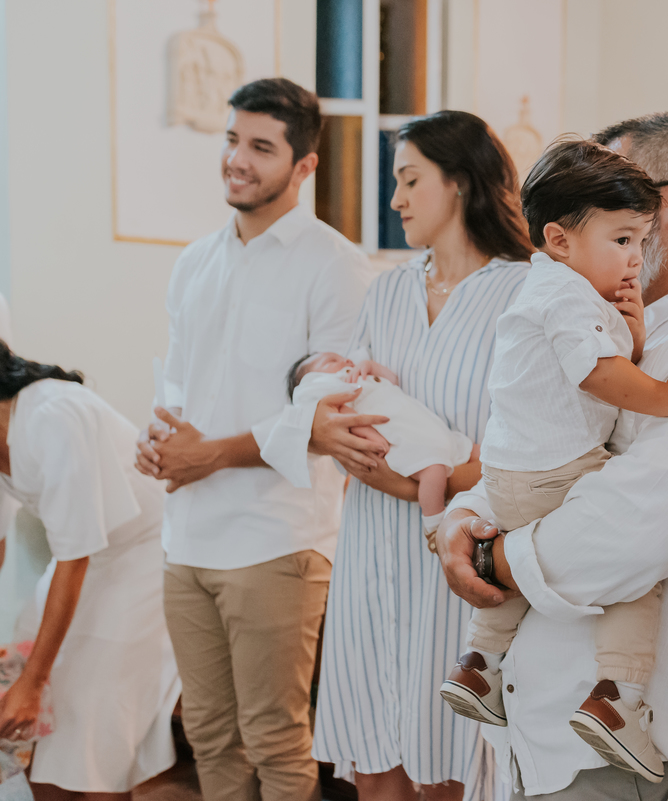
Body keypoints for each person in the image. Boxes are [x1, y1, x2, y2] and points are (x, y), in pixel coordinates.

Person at [435, 112, 668, 801]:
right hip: (544, 725)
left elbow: (624, 534)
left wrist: (492, 557)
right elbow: (535, 438)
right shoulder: (597, 317)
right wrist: (466, 516)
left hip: (639, 750)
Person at [260, 110, 533, 801]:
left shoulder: (525, 292)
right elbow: (345, 391)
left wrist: (418, 487)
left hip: (456, 543)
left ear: (462, 184)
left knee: (448, 759)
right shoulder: (386, 292)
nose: (396, 200)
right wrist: (327, 426)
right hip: (370, 547)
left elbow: (531, 443)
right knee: (375, 759)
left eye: (410, 180)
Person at [438, 140, 668, 783]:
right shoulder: (563, 294)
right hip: (559, 471)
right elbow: (596, 375)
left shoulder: (557, 293)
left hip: (510, 476)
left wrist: (632, 335)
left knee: (514, 555)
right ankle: (617, 697)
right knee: (638, 572)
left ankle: (479, 666)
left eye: (641, 240)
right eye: (621, 239)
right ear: (559, 240)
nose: (635, 258)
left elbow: (596, 361)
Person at [133, 78, 371, 800]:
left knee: (274, 734)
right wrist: (160, 436)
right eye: (233, 140)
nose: (237, 159)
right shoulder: (194, 261)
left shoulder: (335, 264)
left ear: (304, 166)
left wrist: (213, 453)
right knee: (207, 730)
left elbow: (327, 416)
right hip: (188, 537)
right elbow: (177, 385)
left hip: (277, 536)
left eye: (261, 147)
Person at [0, 344, 180, 799]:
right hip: (82, 563)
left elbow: (73, 556)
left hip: (143, 561)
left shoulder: (53, 414)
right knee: (41, 740)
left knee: (96, 729)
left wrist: (32, 681)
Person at [274, 352, 476, 528]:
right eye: (331, 361)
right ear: (315, 381)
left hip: (429, 429)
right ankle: (434, 525)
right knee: (432, 470)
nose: (345, 359)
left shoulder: (363, 376)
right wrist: (375, 439)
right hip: (404, 440)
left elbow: (393, 380)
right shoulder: (337, 394)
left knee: (464, 451)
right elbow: (354, 422)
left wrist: (372, 367)